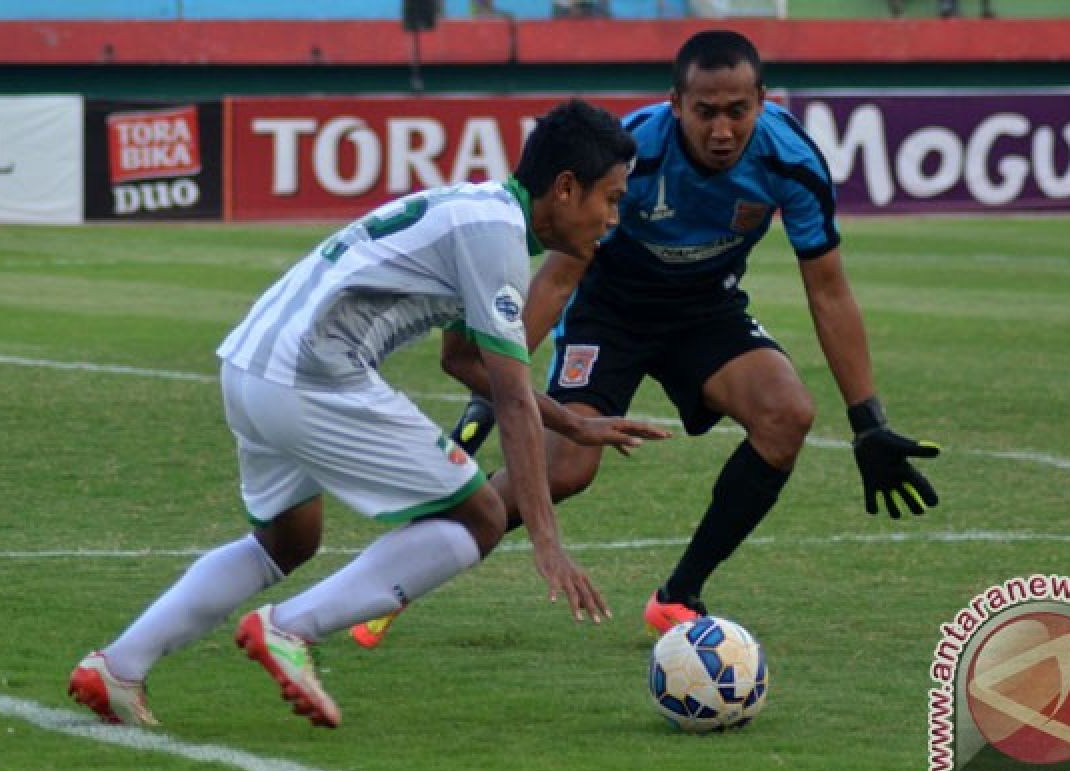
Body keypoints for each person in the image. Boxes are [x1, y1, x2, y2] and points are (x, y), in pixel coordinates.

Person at [67, 99, 667, 728]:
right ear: (566, 188)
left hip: (248, 364)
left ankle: (120, 666)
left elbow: (463, 361)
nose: (613, 217)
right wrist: (547, 542)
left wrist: (572, 424)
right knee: (482, 517)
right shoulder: (495, 236)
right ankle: (291, 630)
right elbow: (511, 397)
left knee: (288, 539)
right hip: (311, 374)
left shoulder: (479, 210)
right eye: (610, 198)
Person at [353, 30, 940, 648]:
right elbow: (559, 278)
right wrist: (499, 377)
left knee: (786, 414)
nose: (721, 129)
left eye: (737, 110)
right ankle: (400, 579)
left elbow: (828, 290)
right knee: (568, 468)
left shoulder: (792, 160)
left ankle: (678, 598)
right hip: (611, 311)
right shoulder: (633, 154)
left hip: (705, 309)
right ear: (674, 104)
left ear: (762, 102)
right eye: (705, 111)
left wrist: (867, 421)